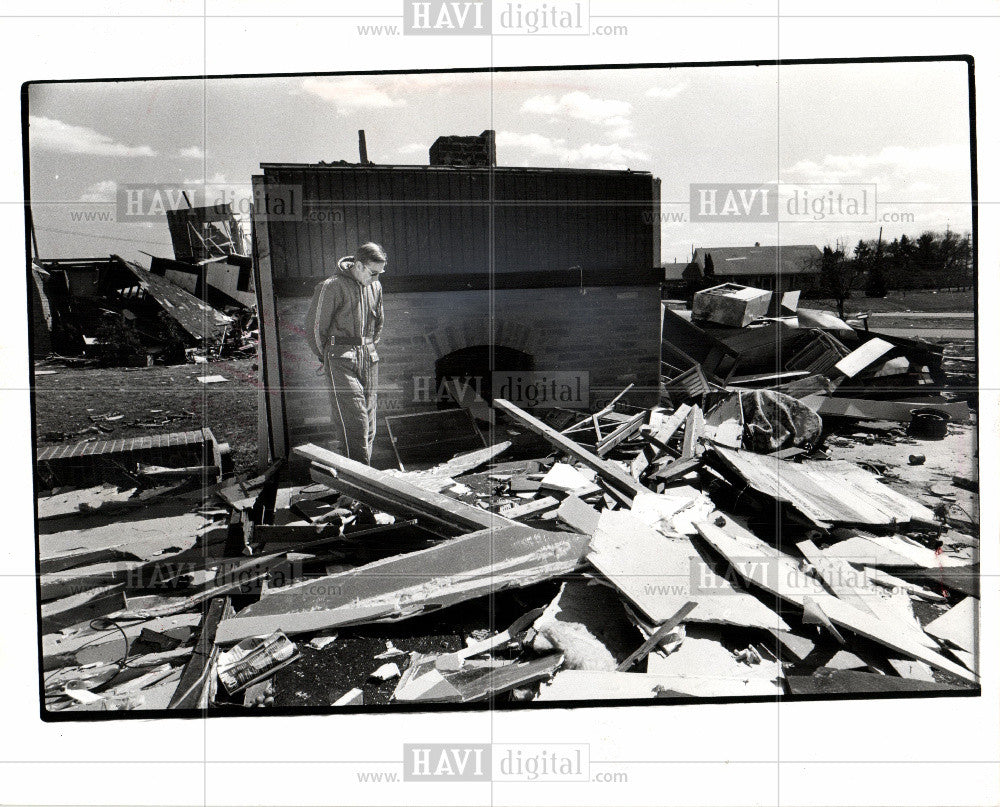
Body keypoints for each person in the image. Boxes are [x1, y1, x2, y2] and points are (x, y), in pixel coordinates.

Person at [306, 242, 386, 464]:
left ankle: (363, 477)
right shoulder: (330, 287)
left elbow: (379, 322)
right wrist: (329, 357)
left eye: (380, 273)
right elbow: (314, 329)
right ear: (358, 265)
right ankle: (356, 484)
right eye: (373, 273)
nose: (376, 279)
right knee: (354, 423)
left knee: (370, 423)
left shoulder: (375, 287)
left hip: (368, 358)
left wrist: (368, 347)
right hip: (341, 360)